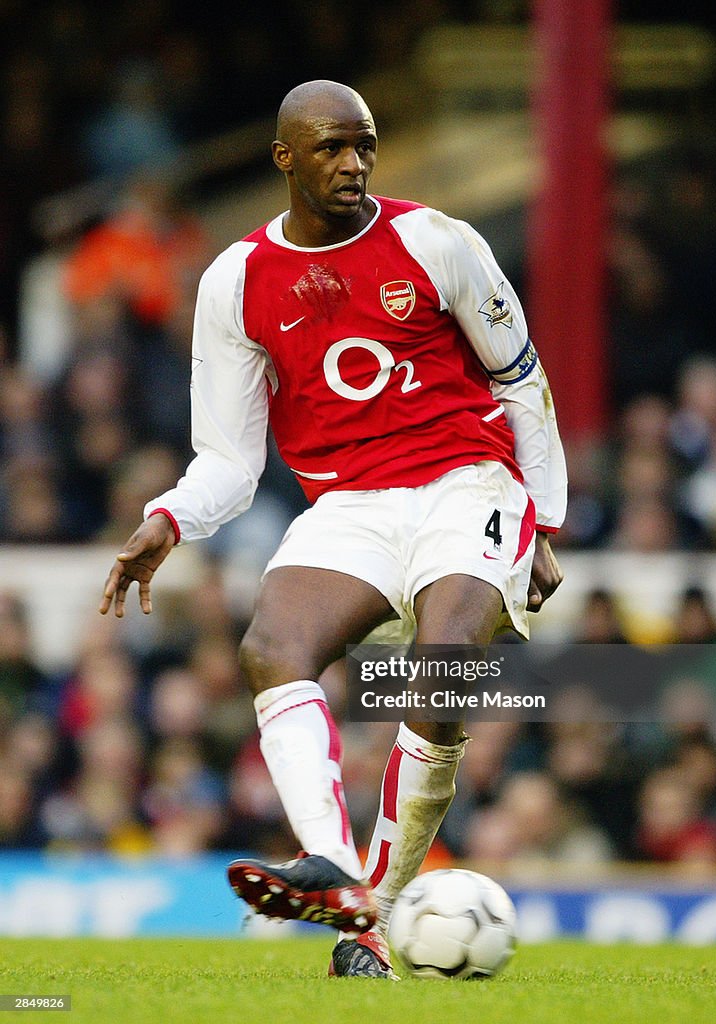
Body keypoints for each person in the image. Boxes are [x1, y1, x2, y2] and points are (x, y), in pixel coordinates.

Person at [99, 80, 567, 978]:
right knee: (272, 643)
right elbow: (230, 462)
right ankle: (338, 875)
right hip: (349, 503)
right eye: (331, 149)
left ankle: (372, 916)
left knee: (439, 677)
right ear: (284, 158)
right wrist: (168, 519)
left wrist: (546, 519)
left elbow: (522, 380)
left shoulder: (437, 242)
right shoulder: (235, 281)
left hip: (467, 481)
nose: (353, 164)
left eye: (366, 146)